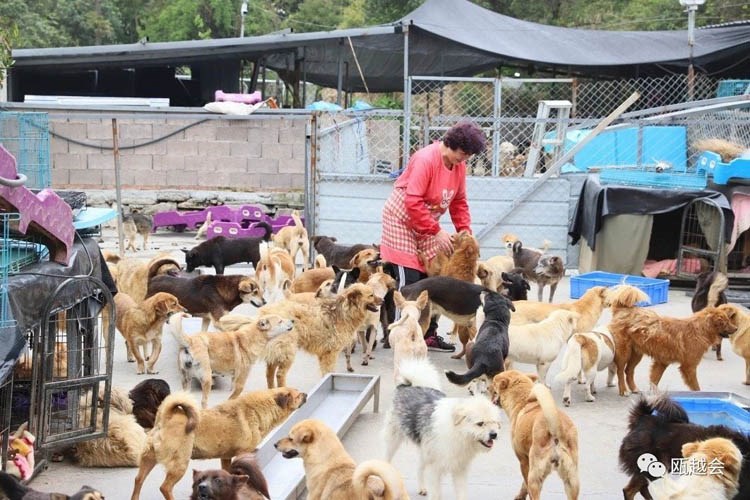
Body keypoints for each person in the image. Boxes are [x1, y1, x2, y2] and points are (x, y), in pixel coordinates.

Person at [380, 121, 487, 352]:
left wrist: (465, 232)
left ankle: (427, 335)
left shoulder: (458, 166)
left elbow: (459, 202)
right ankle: (402, 336)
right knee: (410, 281)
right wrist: (436, 231)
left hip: (427, 223)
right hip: (402, 220)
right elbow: (412, 201)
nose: (465, 158)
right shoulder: (425, 159)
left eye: (469, 155)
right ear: (451, 144)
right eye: (464, 153)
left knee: (438, 276)